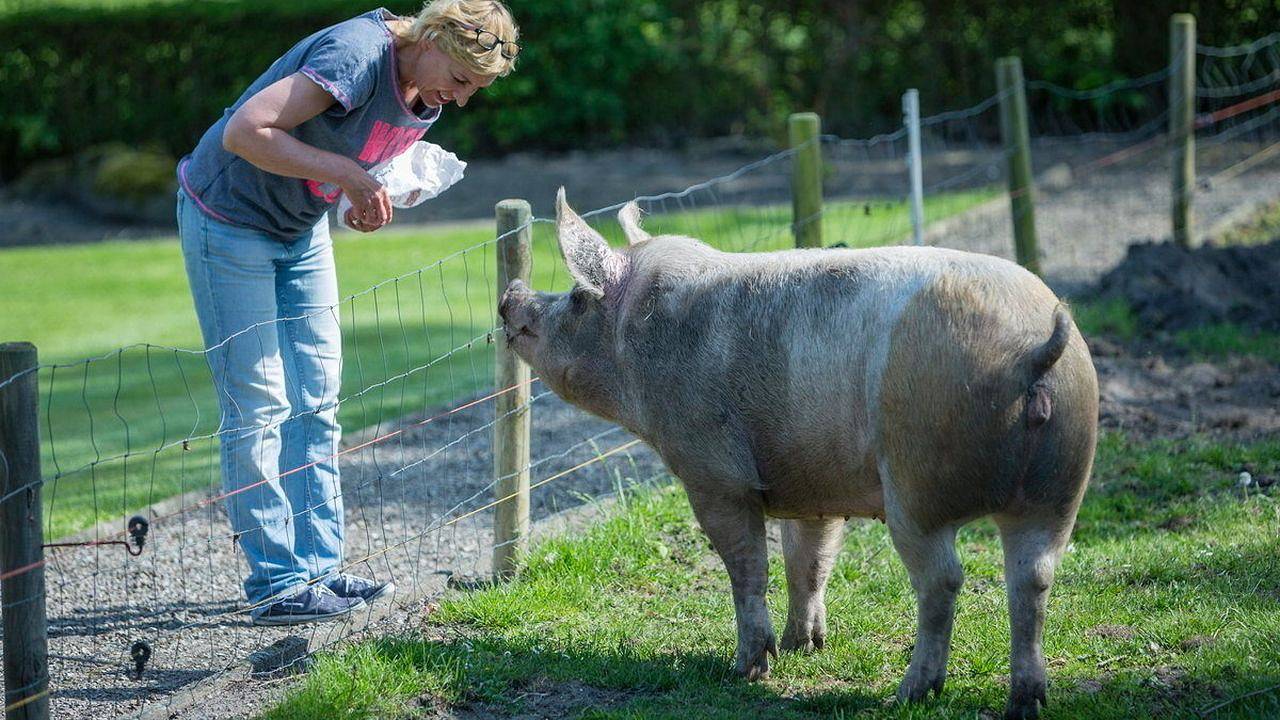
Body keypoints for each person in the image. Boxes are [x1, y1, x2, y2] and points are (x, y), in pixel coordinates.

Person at [176, 0, 520, 625]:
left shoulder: (424, 88)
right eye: (462, 79)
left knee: (318, 398)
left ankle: (319, 570)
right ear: (432, 39)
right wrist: (348, 175)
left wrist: (354, 197)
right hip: (230, 221)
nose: (463, 98)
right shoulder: (357, 56)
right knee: (259, 405)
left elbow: (346, 153)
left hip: (299, 227)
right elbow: (246, 132)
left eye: (476, 88)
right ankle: (278, 586)